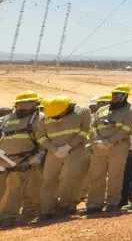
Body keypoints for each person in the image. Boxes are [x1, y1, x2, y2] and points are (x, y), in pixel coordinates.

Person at [38, 95, 92, 219]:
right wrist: (53, 148)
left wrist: (68, 146)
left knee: (68, 175)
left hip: (75, 149)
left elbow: (85, 131)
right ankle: (48, 210)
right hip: (54, 151)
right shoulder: (47, 114)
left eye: (59, 114)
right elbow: (40, 135)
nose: (57, 117)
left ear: (66, 107)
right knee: (49, 180)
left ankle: (65, 204)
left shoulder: (83, 111)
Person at [87, 84, 132, 214]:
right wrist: (97, 140)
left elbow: (126, 128)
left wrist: (109, 141)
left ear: (125, 96)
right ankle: (94, 204)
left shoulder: (131, 110)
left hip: (118, 146)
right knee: (97, 175)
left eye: (119, 94)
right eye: (114, 94)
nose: (115, 97)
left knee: (115, 175)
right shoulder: (102, 109)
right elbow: (93, 126)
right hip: (99, 146)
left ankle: (112, 202)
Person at [0, 91, 44, 227]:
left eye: (28, 102)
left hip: (27, 160)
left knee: (16, 188)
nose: (23, 105)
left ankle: (9, 217)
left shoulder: (40, 118)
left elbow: (44, 139)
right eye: (20, 103)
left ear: (36, 103)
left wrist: (40, 155)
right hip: (3, 160)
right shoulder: (5, 119)